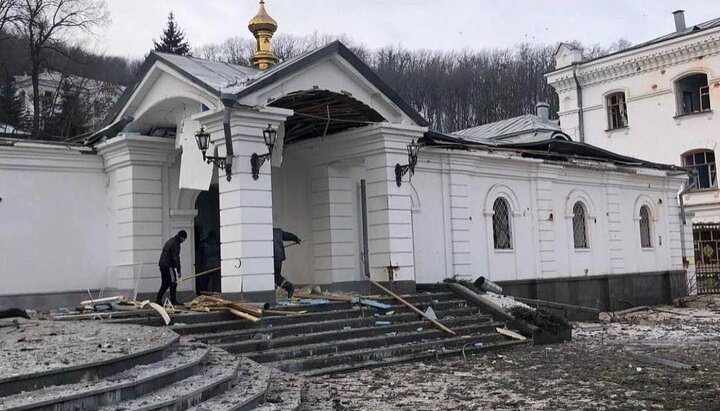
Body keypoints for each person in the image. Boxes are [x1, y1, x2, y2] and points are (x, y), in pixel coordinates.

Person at [156, 230, 187, 305]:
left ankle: (158, 299)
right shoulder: (176, 244)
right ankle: (173, 301)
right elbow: (176, 258)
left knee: (165, 283)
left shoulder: (170, 241)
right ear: (181, 237)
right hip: (169, 266)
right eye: (184, 239)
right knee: (173, 283)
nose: (184, 241)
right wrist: (179, 271)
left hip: (162, 265)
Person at [273, 227, 300, 298]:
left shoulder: (263, 233)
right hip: (279, 258)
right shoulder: (277, 231)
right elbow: (288, 236)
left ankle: (287, 287)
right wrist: (296, 239)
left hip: (272, 257)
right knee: (276, 276)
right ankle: (288, 286)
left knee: (272, 276)